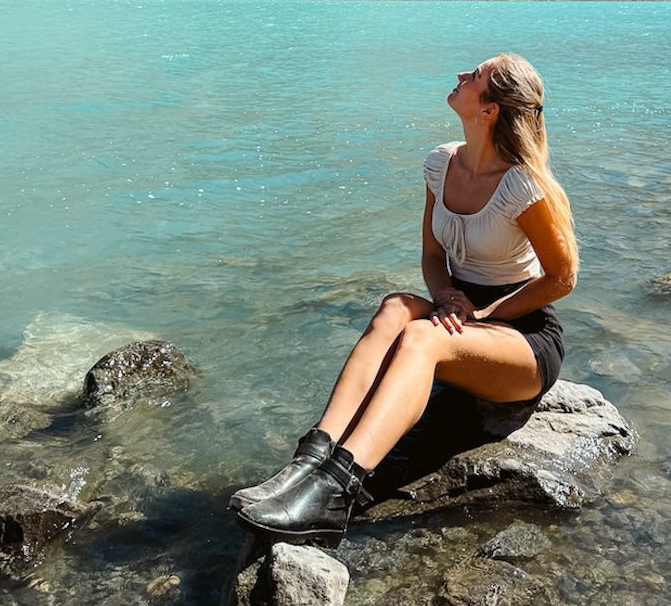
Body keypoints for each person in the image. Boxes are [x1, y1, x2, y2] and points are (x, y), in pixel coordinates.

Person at [231, 52, 578, 546]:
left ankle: (336, 492)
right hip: (461, 316)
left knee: (420, 337)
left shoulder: (522, 184)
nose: (461, 74)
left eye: (476, 75)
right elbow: (432, 255)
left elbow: (562, 277)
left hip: (522, 336)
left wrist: (483, 314)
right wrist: (445, 296)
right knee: (397, 305)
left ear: (490, 110)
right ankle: (308, 463)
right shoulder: (441, 163)